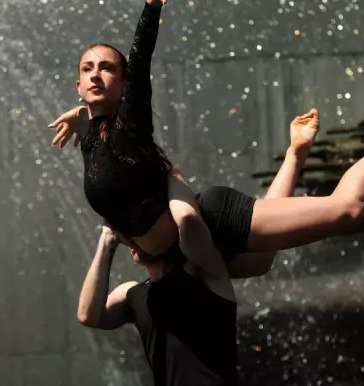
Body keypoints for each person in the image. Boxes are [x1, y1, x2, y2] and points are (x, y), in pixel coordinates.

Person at [49, 0, 364, 278]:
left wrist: (152, 4)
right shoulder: (87, 131)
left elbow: (141, 57)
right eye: (88, 69)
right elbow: (93, 121)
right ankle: (296, 154)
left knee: (349, 209)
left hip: (212, 221)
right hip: (180, 253)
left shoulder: (129, 123)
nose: (97, 75)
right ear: (78, 85)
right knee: (265, 261)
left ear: (125, 83)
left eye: (108, 68)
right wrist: (78, 114)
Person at [76, 111, 319, 385]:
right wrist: (106, 242)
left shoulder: (200, 269)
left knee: (270, 245)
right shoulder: (133, 294)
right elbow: (88, 314)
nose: (135, 234)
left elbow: (204, 223)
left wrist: (169, 175)